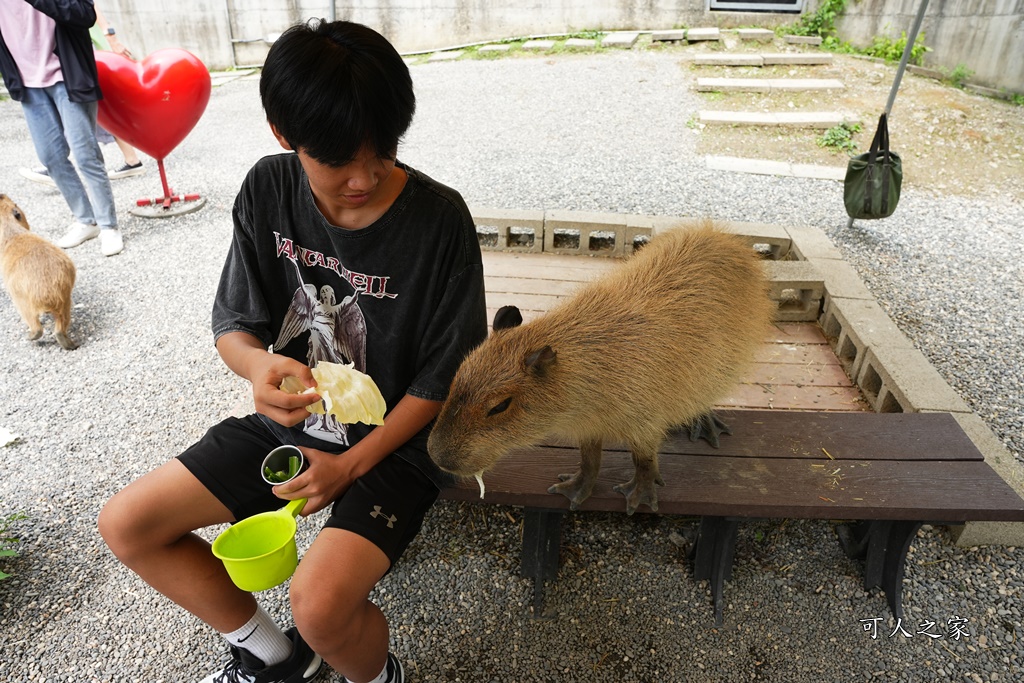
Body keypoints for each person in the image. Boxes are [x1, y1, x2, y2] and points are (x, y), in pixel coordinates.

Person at [98, 18, 488, 683]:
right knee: (127, 524)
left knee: (319, 603)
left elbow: (444, 376)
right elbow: (234, 322)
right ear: (285, 136)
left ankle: (376, 675)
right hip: (292, 423)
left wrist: (349, 465)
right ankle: (274, 656)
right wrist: (256, 366)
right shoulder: (267, 188)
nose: (364, 177)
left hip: (395, 443)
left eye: (383, 150)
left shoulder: (439, 219)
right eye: (337, 159)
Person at [0, 0, 124, 256]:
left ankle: (108, 226)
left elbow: (84, 13)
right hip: (27, 83)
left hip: (67, 75)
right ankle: (86, 219)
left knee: (85, 154)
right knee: (50, 157)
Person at [18, 2, 144, 185]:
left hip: (80, 50)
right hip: (75, 48)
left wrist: (112, 38)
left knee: (85, 108)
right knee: (93, 111)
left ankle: (56, 164)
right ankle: (132, 160)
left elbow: (92, 8)